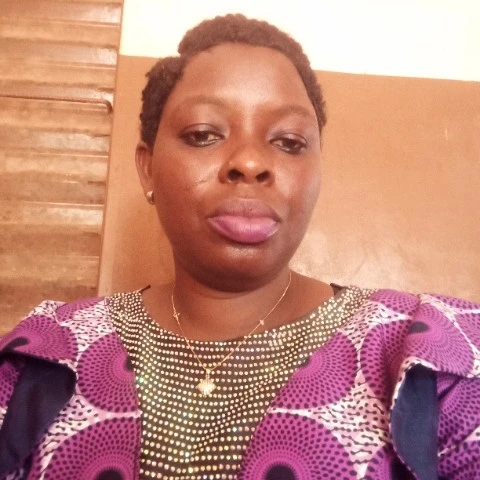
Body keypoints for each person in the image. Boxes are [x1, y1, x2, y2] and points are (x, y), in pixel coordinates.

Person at [0, 13, 479, 480]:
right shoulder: (45, 355)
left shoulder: (428, 355)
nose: (249, 163)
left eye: (289, 142)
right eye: (203, 134)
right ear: (147, 169)